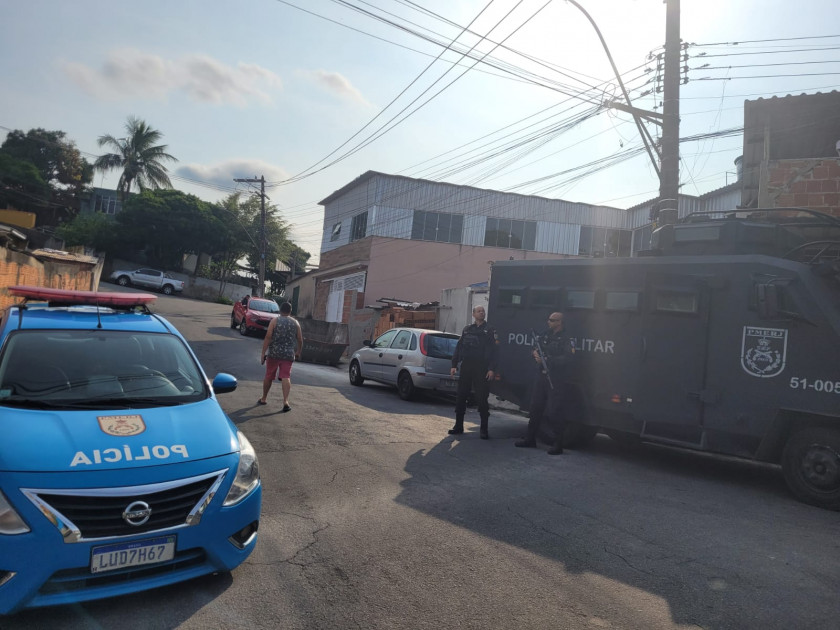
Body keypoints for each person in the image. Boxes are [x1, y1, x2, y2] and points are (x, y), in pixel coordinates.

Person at [515, 311, 575, 455]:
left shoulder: (567, 338)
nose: (549, 322)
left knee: (555, 411)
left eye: (552, 320)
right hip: (541, 377)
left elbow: (568, 358)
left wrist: (548, 360)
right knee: (535, 408)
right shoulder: (545, 335)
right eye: (549, 319)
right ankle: (530, 439)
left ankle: (558, 444)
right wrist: (535, 354)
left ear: (559, 322)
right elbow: (536, 348)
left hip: (555, 378)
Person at [448, 305, 499, 439]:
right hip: (467, 366)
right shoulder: (467, 330)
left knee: (481, 398)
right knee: (461, 396)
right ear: (473, 314)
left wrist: (491, 369)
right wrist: (454, 364)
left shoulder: (489, 330)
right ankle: (458, 426)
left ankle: (484, 429)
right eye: (479, 311)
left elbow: (495, 352)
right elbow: (459, 347)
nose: (482, 313)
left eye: (483, 311)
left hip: (481, 368)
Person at [258, 301, 303, 411]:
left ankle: (264, 398)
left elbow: (268, 337)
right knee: (286, 376)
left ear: (280, 310)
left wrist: (263, 353)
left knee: (269, 375)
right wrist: (298, 352)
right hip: (288, 354)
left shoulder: (275, 321)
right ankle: (285, 401)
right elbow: (300, 339)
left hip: (274, 353)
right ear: (290, 311)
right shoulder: (296, 323)